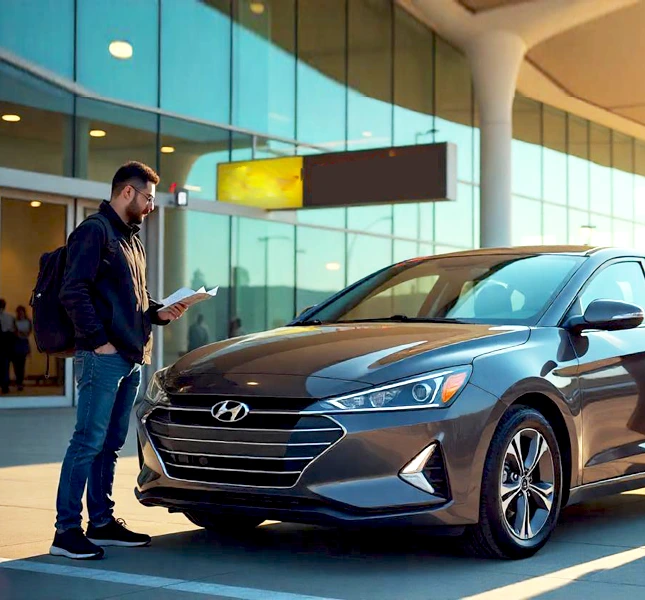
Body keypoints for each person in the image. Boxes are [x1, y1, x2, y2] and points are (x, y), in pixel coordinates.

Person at [51, 161, 188, 560]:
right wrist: (99, 343)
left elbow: (132, 301)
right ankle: (65, 532)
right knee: (87, 441)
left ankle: (102, 522)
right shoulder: (94, 233)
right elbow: (72, 291)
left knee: (110, 444)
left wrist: (157, 312)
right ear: (127, 192)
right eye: (147, 198)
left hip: (131, 357)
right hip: (104, 357)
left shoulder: (132, 240)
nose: (150, 206)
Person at [11, 305, 32, 392]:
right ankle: (18, 381)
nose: (20, 314)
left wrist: (22, 333)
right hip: (16, 343)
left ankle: (20, 382)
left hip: (23, 343)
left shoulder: (28, 321)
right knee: (16, 364)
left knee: (22, 364)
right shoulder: (15, 321)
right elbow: (15, 332)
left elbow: (29, 332)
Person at [0, 299, 16, 394]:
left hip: (6, 342)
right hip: (6, 342)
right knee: (5, 365)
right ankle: (4, 385)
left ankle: (5, 385)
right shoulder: (10, 317)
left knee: (5, 365)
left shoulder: (10, 317)